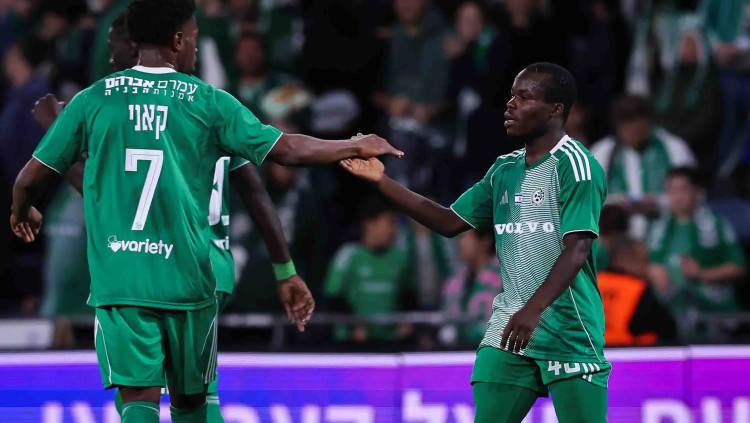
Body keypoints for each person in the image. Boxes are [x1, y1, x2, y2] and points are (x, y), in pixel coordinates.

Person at [10, 1, 402, 423]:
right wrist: (353, 145)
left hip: (123, 279)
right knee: (193, 403)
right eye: (195, 38)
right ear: (178, 40)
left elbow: (29, 178)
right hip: (189, 279)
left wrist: (22, 210)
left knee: (137, 398)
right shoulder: (209, 102)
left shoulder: (93, 100)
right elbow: (287, 150)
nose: (197, 47)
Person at [343, 62, 609, 422]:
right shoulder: (504, 169)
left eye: (524, 97)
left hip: (568, 330)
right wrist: (382, 181)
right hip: (509, 328)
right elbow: (449, 221)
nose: (511, 104)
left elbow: (577, 248)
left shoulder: (577, 166)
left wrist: (534, 309)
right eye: (512, 95)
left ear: (555, 109)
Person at [590, 95, 696, 240]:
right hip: (618, 238)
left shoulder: (673, 148)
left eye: (636, 123)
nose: (632, 130)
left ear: (647, 122)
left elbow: (693, 196)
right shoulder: (603, 151)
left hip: (667, 233)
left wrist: (658, 203)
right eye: (626, 124)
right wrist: (617, 203)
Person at [648, 167, 746, 319]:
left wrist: (702, 274)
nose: (677, 197)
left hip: (712, 310)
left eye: (683, 190)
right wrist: (653, 272)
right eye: (671, 190)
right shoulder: (657, 228)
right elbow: (649, 264)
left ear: (698, 192)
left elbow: (738, 267)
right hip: (671, 312)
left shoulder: (717, 224)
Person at [324, 196, 415, 343]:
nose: (395, 229)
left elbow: (409, 295)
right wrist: (353, 327)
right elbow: (333, 296)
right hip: (353, 342)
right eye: (390, 222)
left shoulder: (400, 258)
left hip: (391, 341)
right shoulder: (348, 255)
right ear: (369, 224)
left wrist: (406, 323)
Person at [598, 237, 677, 346]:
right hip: (625, 352)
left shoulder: (588, 285)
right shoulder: (637, 290)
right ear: (624, 260)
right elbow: (669, 330)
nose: (647, 267)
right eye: (643, 260)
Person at [441, 227, 501, 346]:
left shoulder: (505, 277)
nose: (460, 243)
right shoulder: (455, 279)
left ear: (484, 242)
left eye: (464, 237)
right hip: (457, 349)